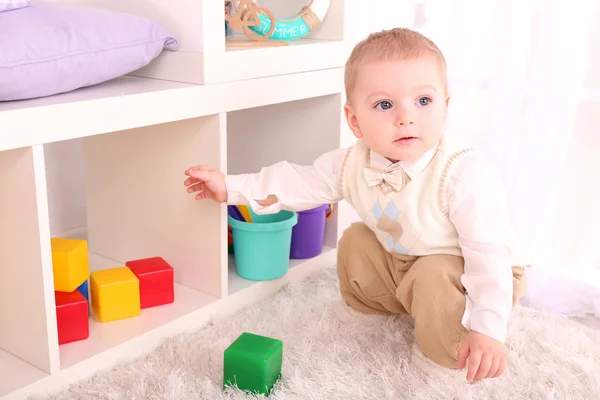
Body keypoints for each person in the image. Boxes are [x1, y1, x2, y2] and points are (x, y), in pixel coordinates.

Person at [183, 27, 529, 383]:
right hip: (406, 259)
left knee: (434, 273)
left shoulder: (461, 173)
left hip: (478, 271)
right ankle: (388, 309)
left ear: (445, 106)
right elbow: (297, 182)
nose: (406, 117)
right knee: (356, 240)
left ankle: (445, 351)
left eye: (423, 101)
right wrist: (231, 187)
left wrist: (488, 327)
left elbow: (488, 254)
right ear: (354, 120)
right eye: (384, 105)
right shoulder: (351, 162)